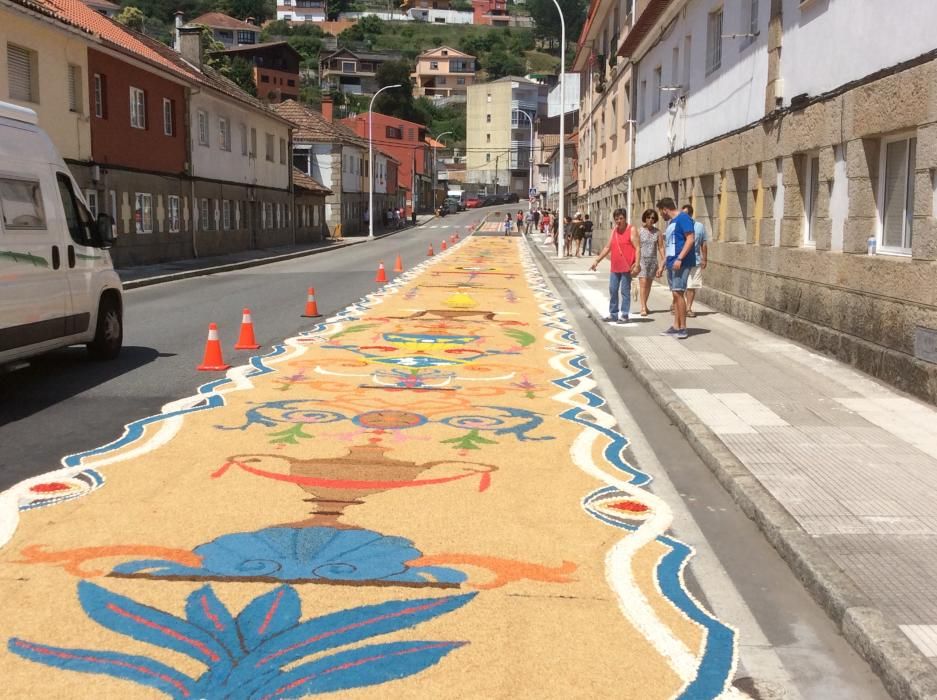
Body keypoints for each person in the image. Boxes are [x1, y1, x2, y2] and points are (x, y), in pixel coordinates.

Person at [590, 208, 640, 324]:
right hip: (615, 266)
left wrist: (637, 264)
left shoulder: (631, 230)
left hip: (627, 266)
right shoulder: (614, 231)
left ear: (625, 218)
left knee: (624, 291)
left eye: (621, 218)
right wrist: (597, 260)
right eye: (616, 219)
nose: (618, 221)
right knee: (612, 289)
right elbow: (608, 247)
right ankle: (613, 314)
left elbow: (637, 248)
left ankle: (625, 314)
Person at [657, 197, 696, 340]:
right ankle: (675, 326)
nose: (661, 215)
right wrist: (662, 264)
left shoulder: (683, 218)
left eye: (661, 212)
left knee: (679, 293)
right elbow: (670, 246)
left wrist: (680, 258)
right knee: (675, 295)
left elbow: (690, 239)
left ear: (665, 209)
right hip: (672, 262)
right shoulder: (672, 223)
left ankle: (683, 327)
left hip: (681, 262)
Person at [681, 204, 708, 317]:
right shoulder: (679, 226)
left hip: (695, 261)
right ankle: (677, 305)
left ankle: (688, 308)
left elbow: (703, 243)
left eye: (686, 214)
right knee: (681, 286)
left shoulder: (700, 227)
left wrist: (704, 258)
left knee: (692, 286)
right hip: (681, 261)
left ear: (691, 215)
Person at [637, 209, 663, 317]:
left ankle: (645, 304)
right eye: (648, 217)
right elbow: (636, 247)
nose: (650, 220)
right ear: (645, 218)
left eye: (653, 218)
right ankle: (642, 307)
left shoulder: (658, 232)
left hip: (652, 261)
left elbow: (661, 247)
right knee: (643, 284)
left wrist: (663, 260)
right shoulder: (639, 231)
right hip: (642, 260)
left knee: (648, 285)